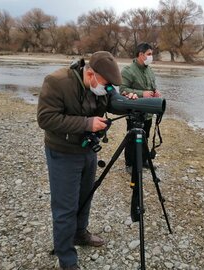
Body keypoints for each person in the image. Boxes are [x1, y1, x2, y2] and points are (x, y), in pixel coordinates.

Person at [37, 51, 132, 270]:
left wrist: (128, 103)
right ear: (90, 74)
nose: (107, 88)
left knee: (85, 196)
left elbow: (111, 101)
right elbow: (45, 118)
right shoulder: (57, 82)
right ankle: (67, 260)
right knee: (65, 207)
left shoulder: (101, 85)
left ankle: (79, 233)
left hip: (88, 149)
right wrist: (86, 124)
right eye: (106, 84)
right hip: (62, 151)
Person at [119, 42, 161, 174]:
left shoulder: (149, 69)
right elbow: (123, 90)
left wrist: (155, 92)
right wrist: (142, 93)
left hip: (148, 112)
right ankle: (130, 164)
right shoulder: (128, 70)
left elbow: (152, 86)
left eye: (151, 54)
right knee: (132, 138)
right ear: (141, 55)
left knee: (145, 136)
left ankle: (143, 161)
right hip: (135, 112)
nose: (151, 57)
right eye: (149, 54)